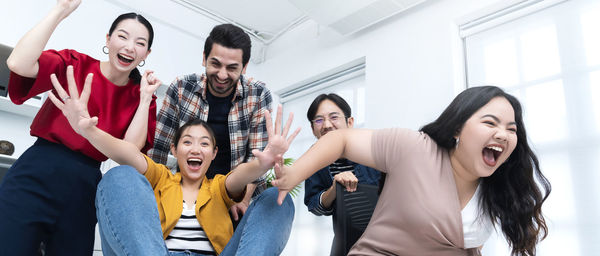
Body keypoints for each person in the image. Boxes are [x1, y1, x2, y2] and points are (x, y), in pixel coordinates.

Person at [273, 86, 551, 255]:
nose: (503, 135)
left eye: (511, 129)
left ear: (350, 120)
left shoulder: (496, 186)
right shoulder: (413, 148)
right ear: (457, 128)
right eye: (491, 123)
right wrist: (294, 175)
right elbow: (337, 147)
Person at [47, 71, 299, 255]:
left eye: (204, 144)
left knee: (277, 198)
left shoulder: (219, 187)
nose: (196, 149)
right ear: (174, 149)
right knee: (120, 175)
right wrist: (89, 132)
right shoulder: (160, 178)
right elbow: (126, 154)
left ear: (213, 154)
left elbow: (239, 177)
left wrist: (262, 164)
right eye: (187, 142)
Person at [0, 1, 160, 254]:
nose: (130, 46)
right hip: (36, 172)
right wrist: (60, 11)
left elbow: (130, 152)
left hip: (84, 190)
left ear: (146, 54)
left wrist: (143, 98)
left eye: (140, 43)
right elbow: (19, 63)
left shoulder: (142, 97)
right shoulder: (74, 63)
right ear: (108, 39)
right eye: (122, 36)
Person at [148, 23, 272, 222]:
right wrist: (154, 196)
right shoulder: (181, 88)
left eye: (232, 68)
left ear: (245, 67)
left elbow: (257, 157)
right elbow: (158, 150)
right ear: (204, 58)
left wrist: (241, 199)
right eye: (215, 64)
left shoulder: (258, 95)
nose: (222, 75)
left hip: (235, 193)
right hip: (187, 191)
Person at [303, 93, 381, 255]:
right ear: (312, 129)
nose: (326, 125)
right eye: (318, 120)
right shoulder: (313, 160)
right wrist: (334, 189)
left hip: (385, 242)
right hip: (346, 245)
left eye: (334, 117)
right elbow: (315, 207)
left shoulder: (374, 151)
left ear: (350, 122)